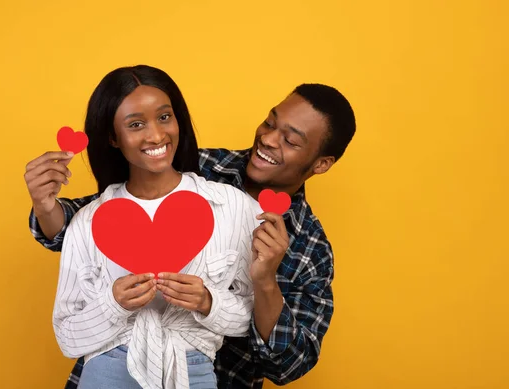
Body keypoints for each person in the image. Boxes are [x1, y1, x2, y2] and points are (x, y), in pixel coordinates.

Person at [25, 81, 356, 388]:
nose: (269, 139)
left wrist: (264, 282)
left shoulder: (310, 248)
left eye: (291, 140)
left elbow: (289, 364)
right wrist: (45, 205)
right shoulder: (194, 164)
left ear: (321, 164)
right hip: (112, 367)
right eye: (270, 123)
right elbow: (96, 221)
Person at [36, 64, 263, 389]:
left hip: (192, 370)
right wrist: (112, 303)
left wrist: (207, 301)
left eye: (164, 117)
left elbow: (251, 315)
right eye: (136, 124)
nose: (156, 135)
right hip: (107, 370)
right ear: (113, 137)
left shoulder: (230, 206)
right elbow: (67, 336)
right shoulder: (88, 220)